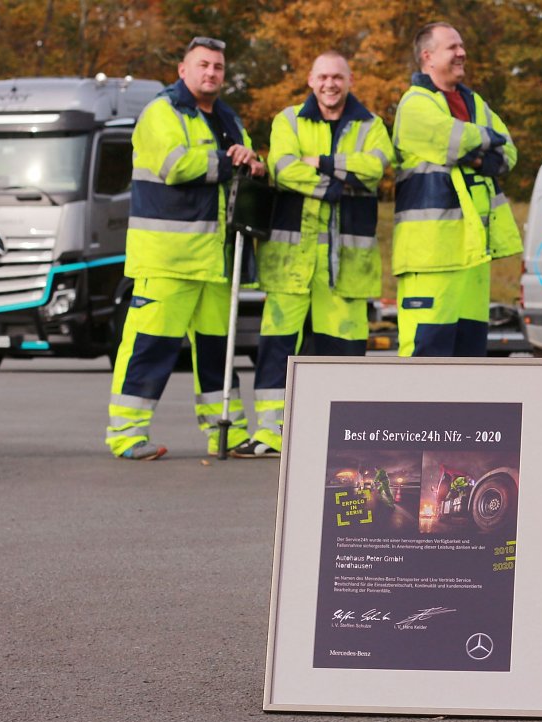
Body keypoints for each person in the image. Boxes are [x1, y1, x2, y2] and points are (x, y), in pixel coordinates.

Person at [106, 36, 265, 460]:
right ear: (183, 70)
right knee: (149, 346)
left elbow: (243, 166)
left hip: (215, 261)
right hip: (167, 260)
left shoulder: (229, 118)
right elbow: (175, 165)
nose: (211, 73)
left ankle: (224, 434)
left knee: (219, 353)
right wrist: (232, 160)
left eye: (217, 67)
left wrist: (252, 161)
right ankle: (126, 435)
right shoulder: (161, 112)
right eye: (203, 65)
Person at [232, 51, 391, 459]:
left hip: (346, 268)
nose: (330, 84)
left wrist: (317, 162)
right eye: (323, 76)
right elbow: (283, 167)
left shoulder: (371, 125)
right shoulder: (288, 120)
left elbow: (374, 168)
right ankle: (270, 433)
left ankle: (343, 435)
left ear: (350, 80)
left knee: (345, 355)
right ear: (310, 79)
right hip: (290, 264)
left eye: (337, 76)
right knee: (277, 351)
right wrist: (338, 184)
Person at [391, 22, 522, 357]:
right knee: (426, 357)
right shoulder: (414, 105)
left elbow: (508, 152)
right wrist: (484, 145)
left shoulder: (474, 102)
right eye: (452, 47)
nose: (462, 53)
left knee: (468, 362)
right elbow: (458, 141)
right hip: (431, 257)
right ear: (428, 56)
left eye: (462, 46)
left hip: (473, 256)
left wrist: (476, 155)